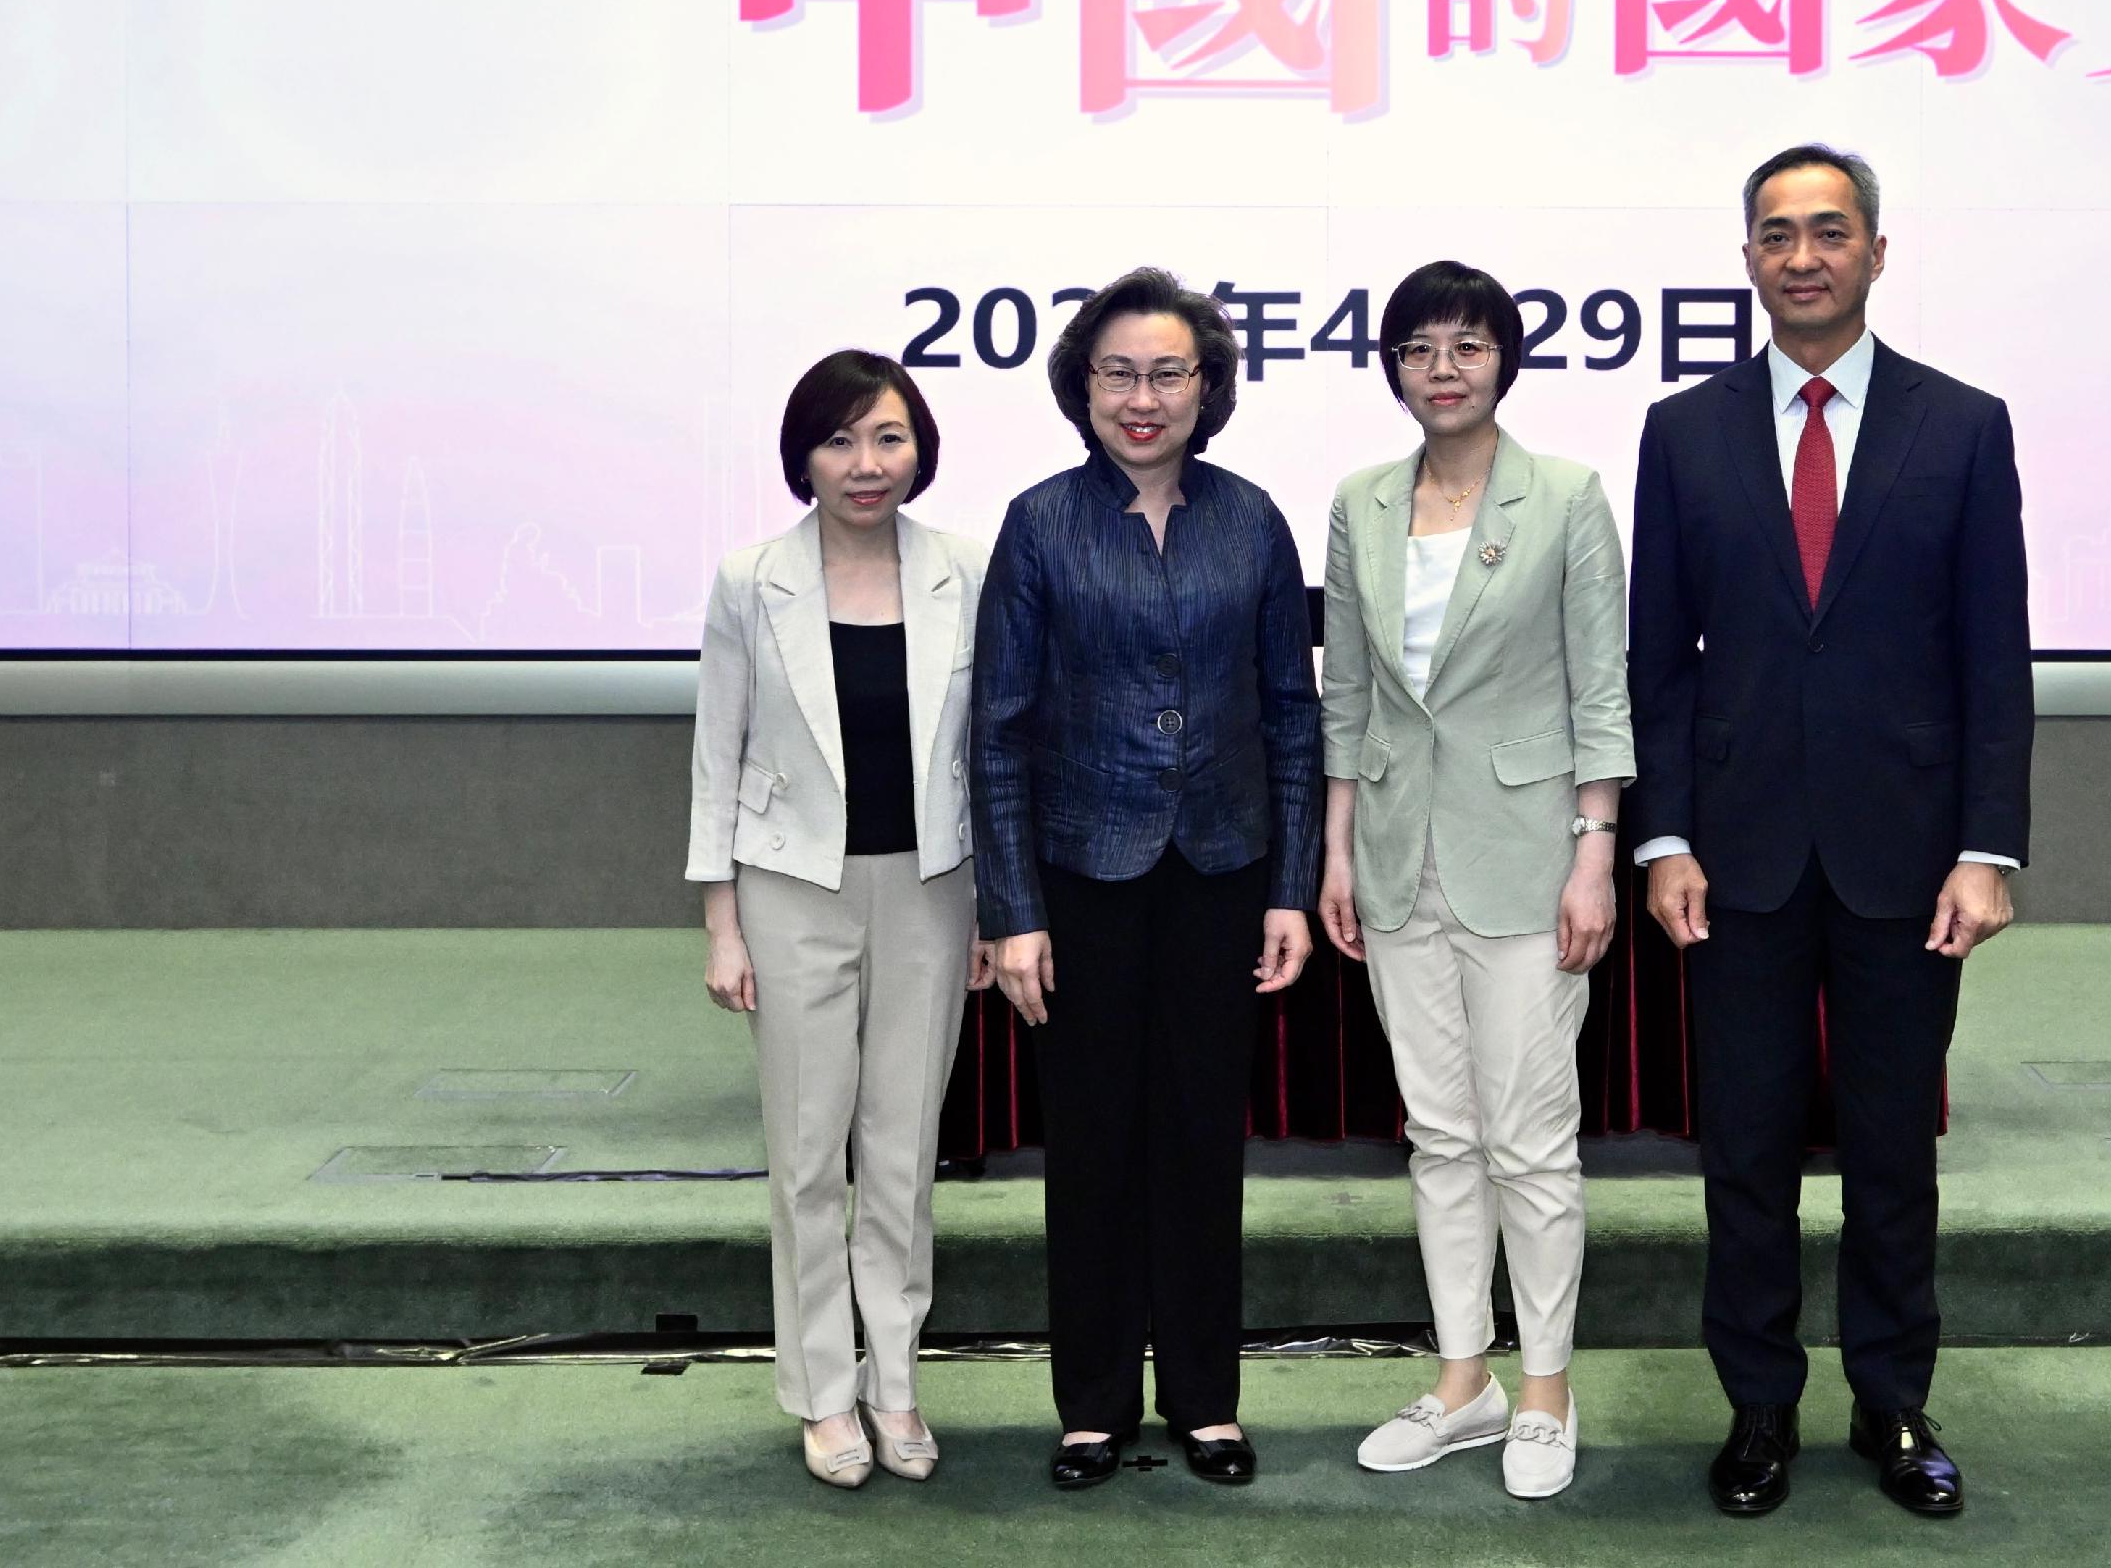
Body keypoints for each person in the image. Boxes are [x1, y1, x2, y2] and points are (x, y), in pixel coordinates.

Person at [1627, 145, 2034, 1522]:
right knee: (1741, 1148)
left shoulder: (1962, 424)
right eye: (1776, 233)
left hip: (1907, 853)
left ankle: (1892, 1394)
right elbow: (1660, 663)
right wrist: (1661, 834)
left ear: (1875, 249)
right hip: (1731, 854)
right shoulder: (1683, 429)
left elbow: (1995, 657)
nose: (1802, 255)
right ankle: (1757, 1404)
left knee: (1888, 1148)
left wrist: (1990, 847)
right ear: (1746, 255)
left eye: (1829, 231)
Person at [972, 266, 1324, 1490]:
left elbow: (1292, 714)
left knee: (1197, 1138)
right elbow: (1000, 728)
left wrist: (1292, 884)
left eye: (1167, 371)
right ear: (1080, 383)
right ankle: (1092, 1403)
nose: (1141, 395)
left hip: (1222, 869)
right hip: (1083, 876)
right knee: (1092, 1139)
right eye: (1117, 370)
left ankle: (1207, 1399)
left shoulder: (1252, 518)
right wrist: (1011, 909)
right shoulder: (1039, 522)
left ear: (1207, 385)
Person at [1316, 259, 1632, 1501]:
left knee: (1530, 1141)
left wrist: (1594, 846)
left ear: (1505, 358)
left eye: (1467, 344)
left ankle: (1546, 1384)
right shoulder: (1361, 501)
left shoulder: (1565, 496)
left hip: (1527, 855)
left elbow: (1598, 684)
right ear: (1391, 365)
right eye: (1419, 347)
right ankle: (1464, 1378)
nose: (1442, 367)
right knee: (1440, 1134)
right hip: (1397, 855)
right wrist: (1336, 846)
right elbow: (1347, 688)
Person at [687, 349, 993, 1490]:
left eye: (889, 437)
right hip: (788, 893)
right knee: (808, 1158)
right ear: (801, 455)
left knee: (904, 1154)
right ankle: (822, 1393)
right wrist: (722, 923)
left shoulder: (968, 566)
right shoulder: (749, 577)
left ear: (920, 449)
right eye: (840, 439)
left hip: (930, 889)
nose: (866, 464)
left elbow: (987, 752)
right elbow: (716, 755)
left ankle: (896, 1383)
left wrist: (993, 909)